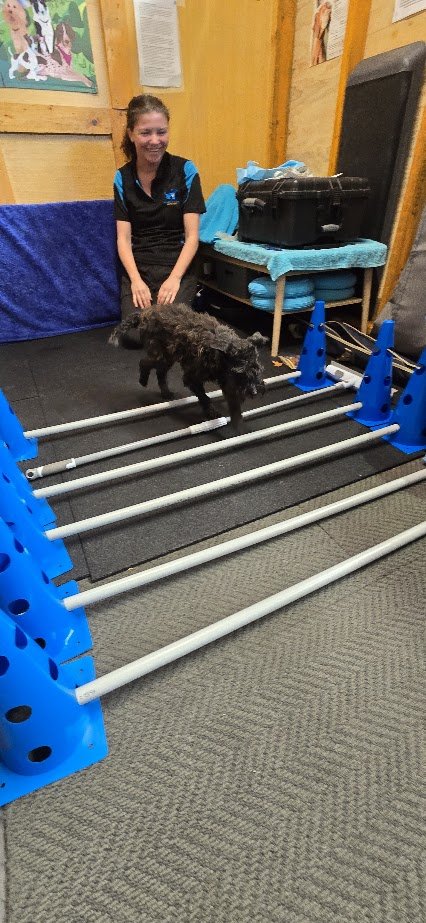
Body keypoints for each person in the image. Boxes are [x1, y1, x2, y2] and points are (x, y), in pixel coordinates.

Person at [113, 94, 206, 318]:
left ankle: (194, 294)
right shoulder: (122, 177)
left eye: (161, 132)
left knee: (170, 325)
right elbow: (123, 239)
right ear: (131, 134)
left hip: (178, 264)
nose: (155, 141)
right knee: (134, 334)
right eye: (146, 132)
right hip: (140, 266)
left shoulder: (186, 170)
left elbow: (192, 237)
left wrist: (175, 279)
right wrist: (135, 281)